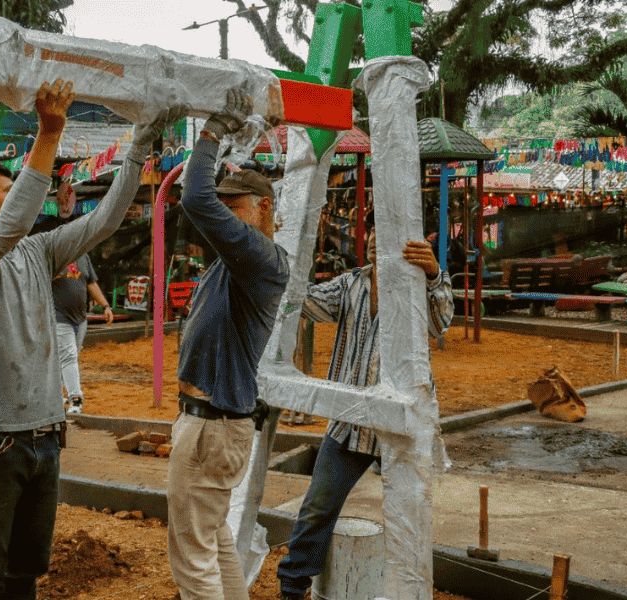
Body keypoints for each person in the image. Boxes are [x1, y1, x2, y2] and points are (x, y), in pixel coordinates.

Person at [0, 78, 185, 600]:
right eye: (8, 192)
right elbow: (11, 225)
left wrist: (140, 145)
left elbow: (106, 219)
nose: (24, 202)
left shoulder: (40, 251)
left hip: (43, 440)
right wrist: (49, 133)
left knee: (25, 577)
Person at [275, 212, 453, 600]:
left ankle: (408, 589)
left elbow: (441, 325)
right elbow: (306, 302)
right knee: (318, 506)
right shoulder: (351, 284)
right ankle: (293, 586)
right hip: (351, 422)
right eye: (372, 231)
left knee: (409, 514)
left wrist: (435, 275)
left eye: (385, 231)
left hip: (402, 427)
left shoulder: (418, 285)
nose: (375, 238)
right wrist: (276, 267)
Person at [168, 89, 289, 600]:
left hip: (213, 425)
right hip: (216, 423)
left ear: (262, 208)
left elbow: (194, 199)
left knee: (193, 557)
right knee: (214, 541)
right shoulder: (237, 261)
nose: (222, 214)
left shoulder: (259, 257)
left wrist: (214, 130)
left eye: (233, 205)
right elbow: (198, 205)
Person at [52, 252, 113, 414]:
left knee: (68, 357)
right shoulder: (55, 253)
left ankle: (55, 395)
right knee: (68, 356)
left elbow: (91, 283)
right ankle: (76, 399)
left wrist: (105, 306)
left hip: (80, 318)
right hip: (58, 316)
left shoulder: (83, 257)